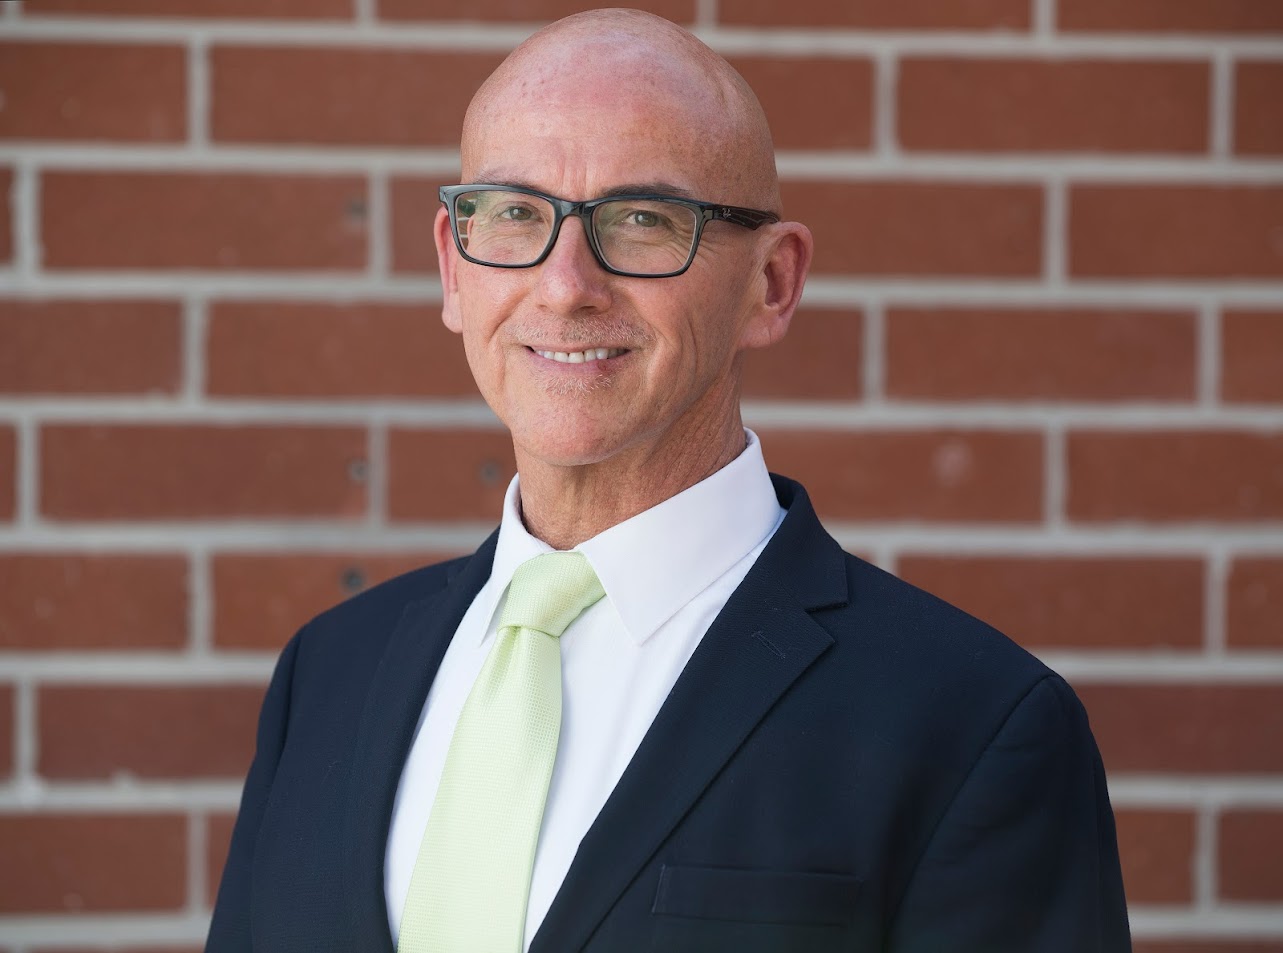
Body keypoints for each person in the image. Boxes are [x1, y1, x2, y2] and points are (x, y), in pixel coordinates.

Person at [206, 9, 1131, 952]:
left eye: (642, 220)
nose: (565, 286)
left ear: (771, 284)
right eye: (516, 213)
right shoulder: (327, 674)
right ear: (453, 267)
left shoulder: (971, 723)